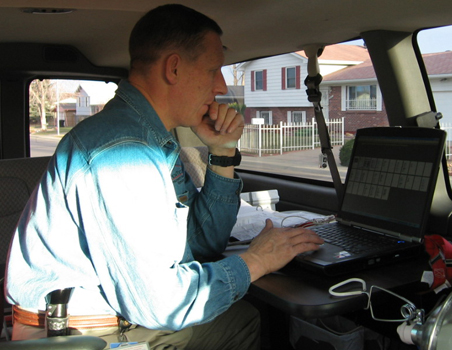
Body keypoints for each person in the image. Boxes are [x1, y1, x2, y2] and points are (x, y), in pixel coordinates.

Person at [5, 4, 323, 349]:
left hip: (118, 320)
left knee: (243, 318)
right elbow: (163, 305)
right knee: (246, 320)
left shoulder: (153, 142)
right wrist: (258, 260)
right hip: (81, 335)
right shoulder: (124, 152)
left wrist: (223, 152)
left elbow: (202, 243)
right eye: (214, 69)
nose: (221, 86)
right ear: (173, 68)